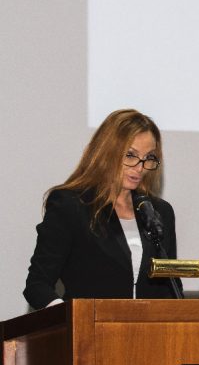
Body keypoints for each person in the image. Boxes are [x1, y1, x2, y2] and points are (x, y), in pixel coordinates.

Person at [23, 109, 182, 309]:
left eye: (148, 157)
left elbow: (170, 289)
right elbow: (37, 285)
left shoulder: (159, 212)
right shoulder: (71, 205)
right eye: (130, 155)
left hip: (148, 328)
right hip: (89, 327)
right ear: (107, 152)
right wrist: (70, 318)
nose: (140, 167)